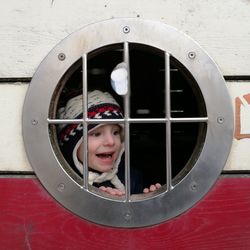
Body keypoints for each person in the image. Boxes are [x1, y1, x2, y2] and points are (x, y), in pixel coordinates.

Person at [58, 90, 161, 196]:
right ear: (73, 145)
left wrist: (149, 200)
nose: (111, 141)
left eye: (115, 132)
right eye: (97, 134)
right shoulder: (61, 184)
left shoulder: (133, 177)